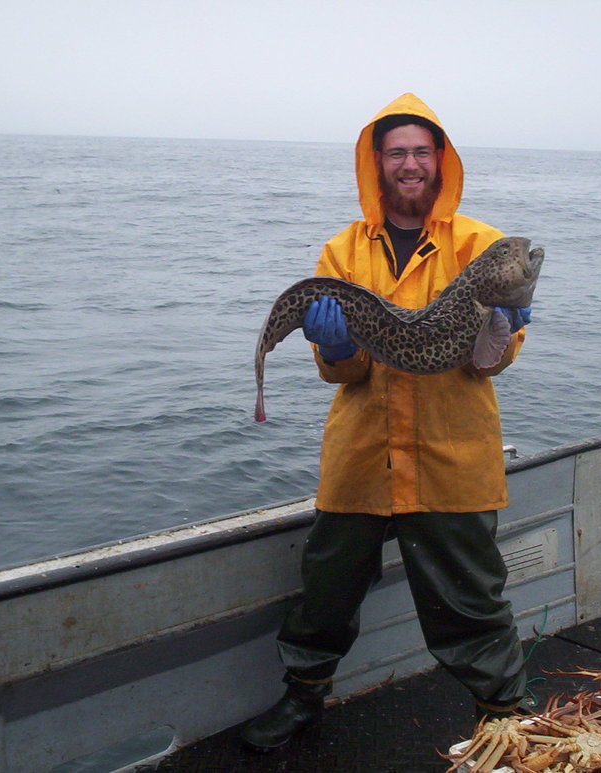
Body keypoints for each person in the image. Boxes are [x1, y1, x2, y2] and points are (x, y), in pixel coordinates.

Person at [240, 93, 532, 752]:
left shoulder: (480, 246)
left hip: (452, 458)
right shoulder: (342, 249)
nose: (409, 163)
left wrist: (504, 325)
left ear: (440, 161)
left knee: (473, 601)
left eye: (421, 151)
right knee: (326, 593)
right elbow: (340, 374)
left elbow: (489, 365)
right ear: (378, 164)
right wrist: (336, 344)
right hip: (362, 458)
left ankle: (507, 715)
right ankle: (303, 699)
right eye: (397, 151)